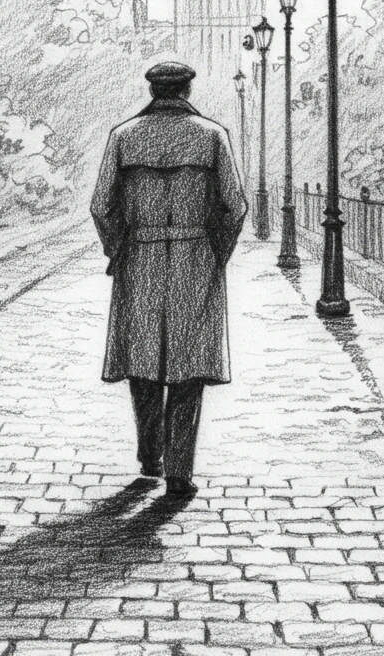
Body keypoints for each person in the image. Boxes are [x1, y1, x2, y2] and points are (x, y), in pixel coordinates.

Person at [90, 61, 248, 497]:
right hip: (195, 257)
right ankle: (180, 470)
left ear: (153, 89)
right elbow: (235, 207)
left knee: (141, 360)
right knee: (188, 366)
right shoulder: (212, 135)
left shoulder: (123, 136)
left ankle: (150, 456)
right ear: (187, 89)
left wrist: (117, 247)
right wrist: (218, 252)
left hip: (138, 257)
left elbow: (101, 206)